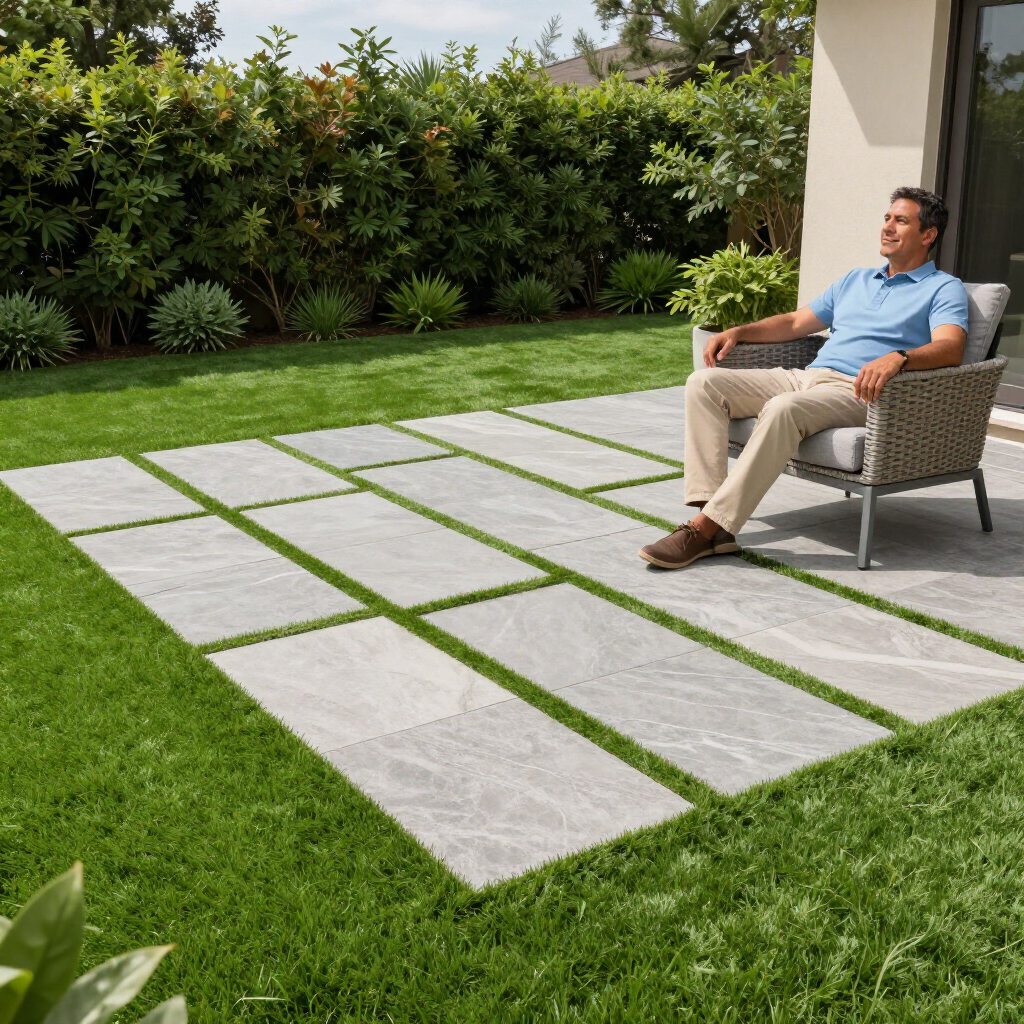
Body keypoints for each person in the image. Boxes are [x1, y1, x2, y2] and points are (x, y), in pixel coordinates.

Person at [639, 186, 970, 569]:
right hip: (808, 376)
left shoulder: (943, 288)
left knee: (783, 409)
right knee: (704, 384)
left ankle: (701, 531)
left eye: (901, 220)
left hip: (859, 392)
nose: (888, 227)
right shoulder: (856, 279)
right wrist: (740, 331)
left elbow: (951, 348)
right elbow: (797, 322)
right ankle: (714, 526)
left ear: (928, 235)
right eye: (886, 218)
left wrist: (899, 356)